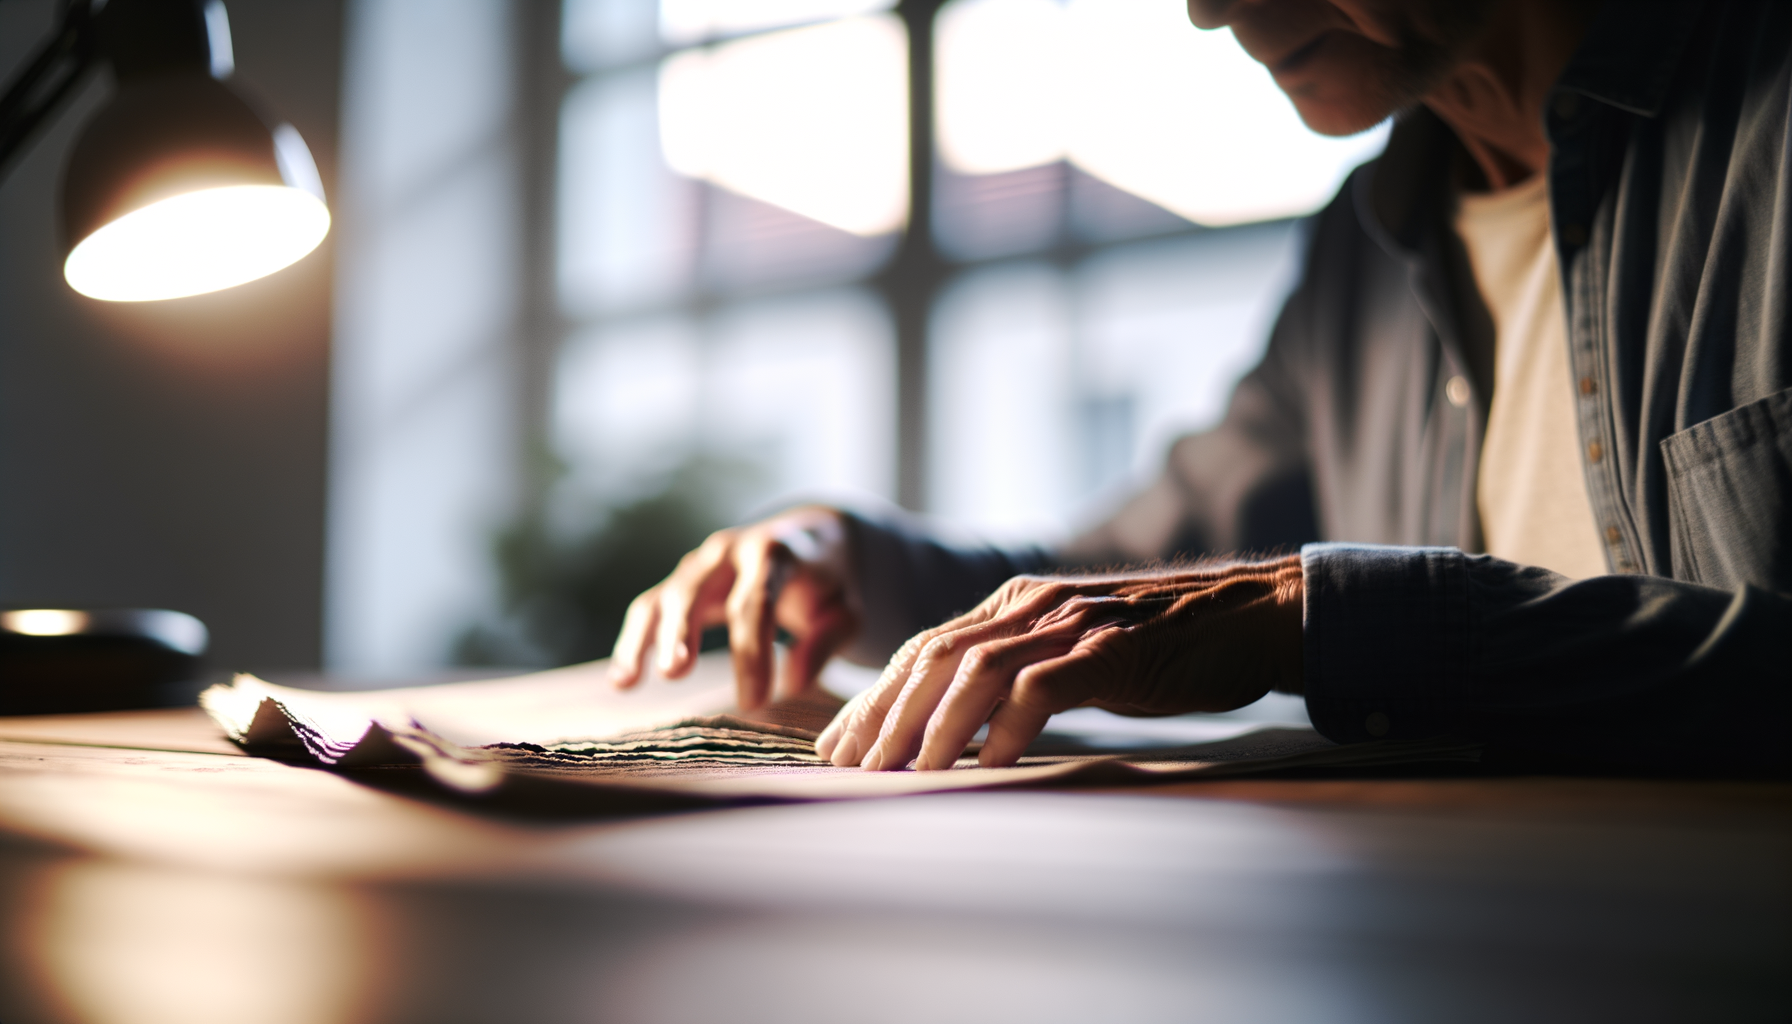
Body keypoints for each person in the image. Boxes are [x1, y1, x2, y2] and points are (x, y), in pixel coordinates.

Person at [608, 0, 1790, 775]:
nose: (1209, 7)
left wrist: (1307, 617)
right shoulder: (1365, 253)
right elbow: (1112, 590)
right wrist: (843, 557)